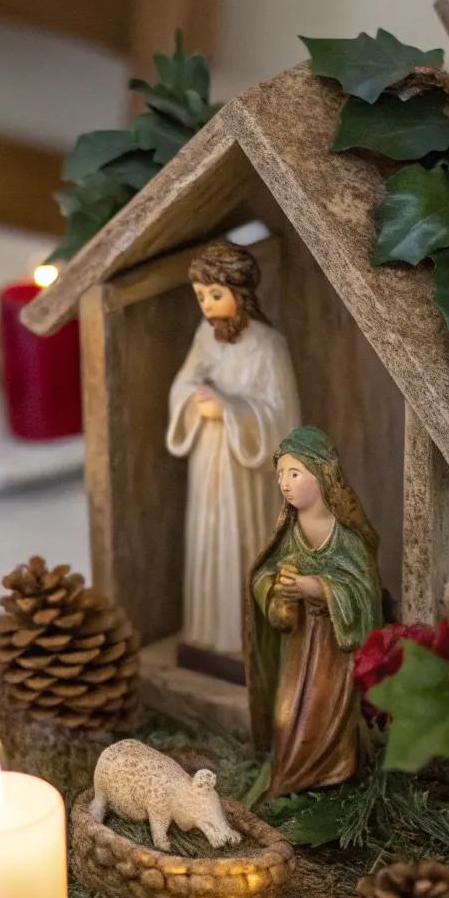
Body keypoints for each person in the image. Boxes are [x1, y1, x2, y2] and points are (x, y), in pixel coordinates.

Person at [166, 242, 299, 662]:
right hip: (209, 457)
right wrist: (194, 399)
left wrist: (231, 409)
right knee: (208, 536)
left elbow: (284, 417)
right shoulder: (205, 336)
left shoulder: (269, 346)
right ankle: (207, 632)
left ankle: (244, 637)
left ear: (240, 293)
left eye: (215, 294)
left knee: (241, 540)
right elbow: (182, 384)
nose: (206, 305)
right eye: (200, 296)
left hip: (248, 467)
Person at [247, 426, 382, 796]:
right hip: (298, 646)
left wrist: (317, 588)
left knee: (322, 715)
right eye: (279, 475)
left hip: (334, 655)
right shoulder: (289, 531)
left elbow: (364, 594)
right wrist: (278, 591)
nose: (284, 484)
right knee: (286, 715)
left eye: (294, 474)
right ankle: (290, 779)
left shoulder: (346, 537)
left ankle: (331, 781)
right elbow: (263, 575)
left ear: (322, 475)